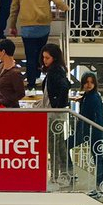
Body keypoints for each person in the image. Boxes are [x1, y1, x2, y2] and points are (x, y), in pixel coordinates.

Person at [9, 0, 70, 90]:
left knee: (30, 56)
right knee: (41, 53)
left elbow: (14, 9)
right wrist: (67, 9)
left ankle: (31, 86)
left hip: (27, 28)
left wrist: (12, 26)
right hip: (43, 26)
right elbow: (58, 1)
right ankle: (37, 75)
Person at [40, 43, 72, 181]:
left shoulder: (55, 72)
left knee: (54, 146)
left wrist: (57, 105)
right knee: (59, 145)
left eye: (47, 58)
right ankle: (65, 173)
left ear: (54, 58)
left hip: (54, 115)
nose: (45, 60)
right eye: (44, 58)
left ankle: (55, 175)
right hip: (56, 114)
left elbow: (65, 86)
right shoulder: (57, 70)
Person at [76, 74, 103, 194]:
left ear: (95, 84)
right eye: (86, 82)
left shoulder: (93, 97)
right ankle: (99, 185)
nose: (89, 85)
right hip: (90, 131)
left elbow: (92, 115)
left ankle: (99, 185)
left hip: (92, 131)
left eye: (91, 82)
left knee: (98, 157)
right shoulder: (88, 96)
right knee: (98, 157)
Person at [0, 40, 26, 109]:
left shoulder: (15, 73)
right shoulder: (1, 66)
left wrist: (3, 101)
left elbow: (21, 93)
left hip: (8, 108)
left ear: (3, 52)